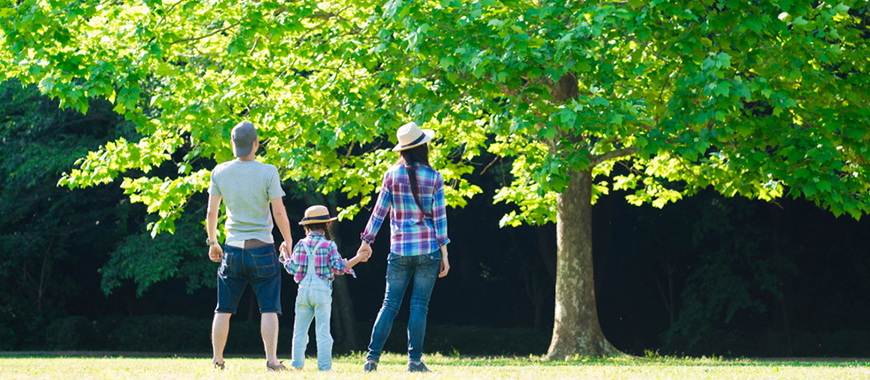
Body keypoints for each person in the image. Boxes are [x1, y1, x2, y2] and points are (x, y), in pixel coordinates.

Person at [357, 121, 451, 373]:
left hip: (399, 249)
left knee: (389, 304)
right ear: (423, 147)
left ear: (403, 149)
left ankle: (372, 359)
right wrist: (444, 252)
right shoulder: (435, 177)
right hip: (428, 249)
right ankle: (414, 361)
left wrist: (366, 242)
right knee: (419, 305)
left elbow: (379, 213)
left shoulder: (391, 174)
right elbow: (440, 218)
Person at [206, 120, 293, 371]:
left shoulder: (219, 172)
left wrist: (213, 242)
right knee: (269, 307)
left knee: (223, 308)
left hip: (232, 248)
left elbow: (212, 211)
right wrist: (287, 240)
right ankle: (272, 361)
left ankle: (217, 360)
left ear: (232, 144)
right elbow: (278, 211)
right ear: (256, 143)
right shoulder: (269, 171)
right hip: (263, 248)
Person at [279, 205, 368, 371]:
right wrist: (359, 257)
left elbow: (291, 268)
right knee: (323, 331)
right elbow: (339, 267)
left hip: (303, 290)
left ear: (306, 226)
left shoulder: (300, 244)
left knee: (299, 331)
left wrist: (285, 254)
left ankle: (297, 366)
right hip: (322, 291)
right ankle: (324, 367)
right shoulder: (329, 245)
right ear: (327, 224)